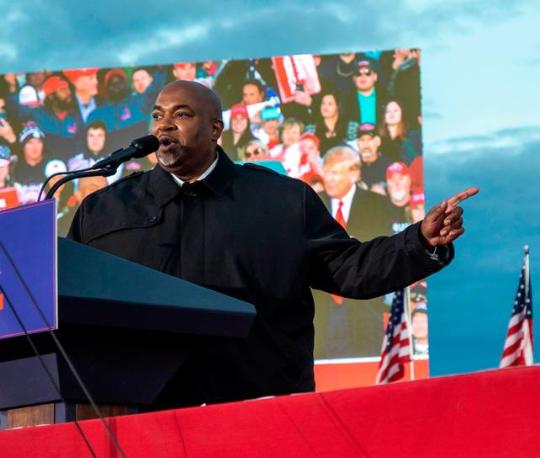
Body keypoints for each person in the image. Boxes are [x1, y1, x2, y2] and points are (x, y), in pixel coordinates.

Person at [67, 80, 477, 409]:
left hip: (260, 408)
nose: (164, 126)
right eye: (158, 116)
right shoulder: (105, 212)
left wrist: (420, 240)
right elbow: (70, 307)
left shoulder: (281, 201)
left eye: (181, 115)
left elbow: (350, 270)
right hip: (141, 413)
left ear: (215, 129)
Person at [315, 144, 405, 358]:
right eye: (326, 172)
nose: (329, 178)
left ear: (354, 172)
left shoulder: (377, 204)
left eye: (335, 172)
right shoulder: (313, 202)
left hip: (363, 306)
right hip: (323, 310)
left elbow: (380, 251)